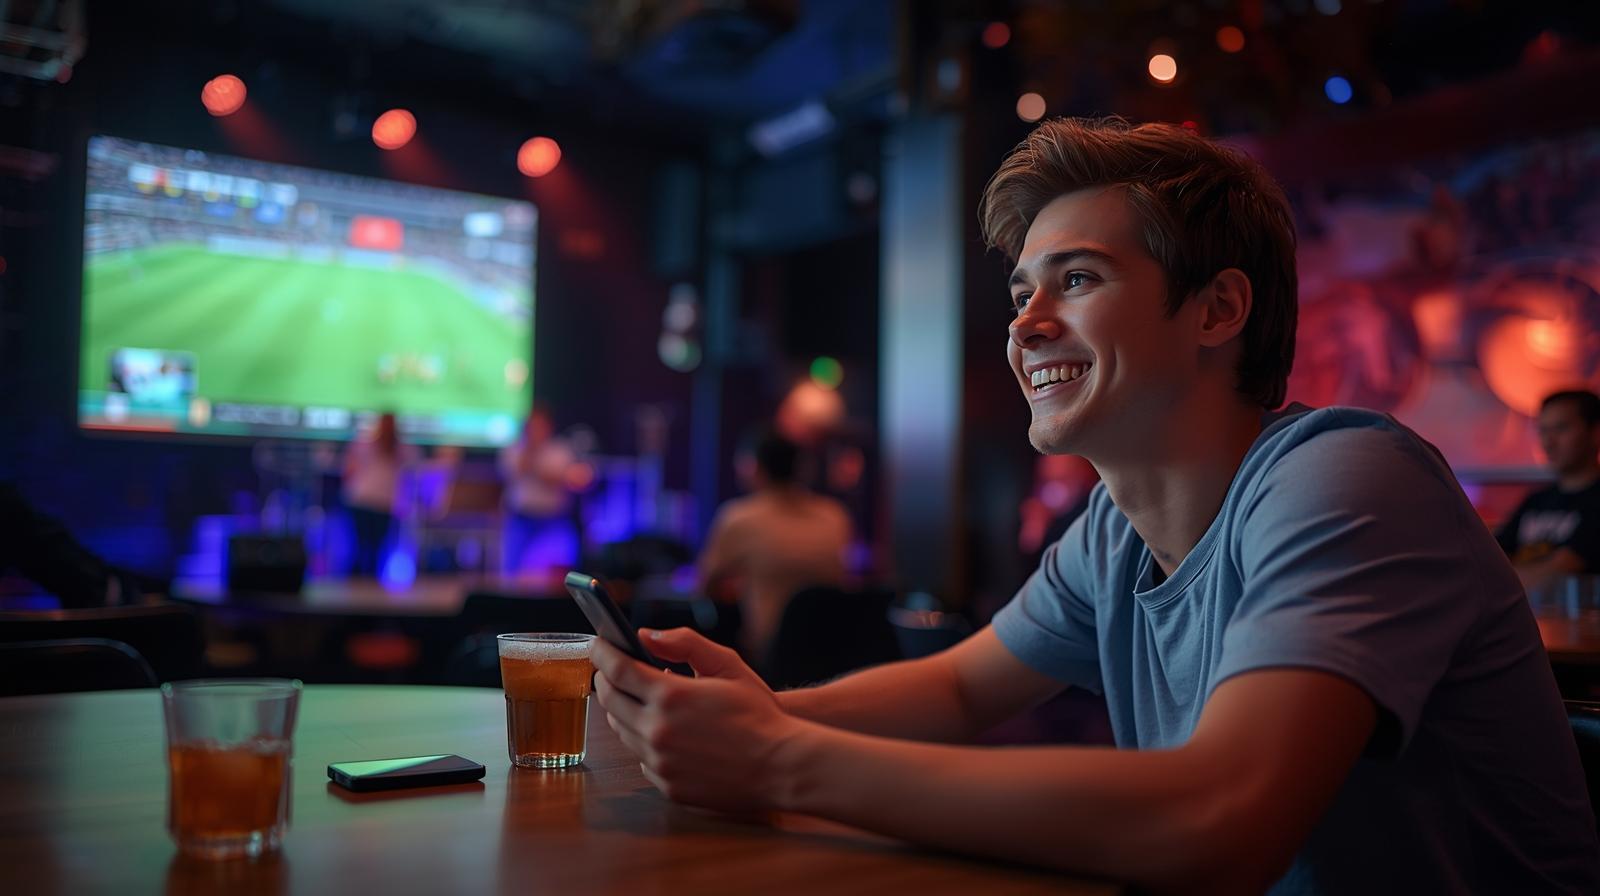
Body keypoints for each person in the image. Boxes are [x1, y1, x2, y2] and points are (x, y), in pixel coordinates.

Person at [589, 117, 1600, 894]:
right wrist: (730, 718)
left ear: (1217, 309)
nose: (1024, 322)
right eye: (1021, 289)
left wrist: (774, 758)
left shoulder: (1346, 477)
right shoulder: (1114, 531)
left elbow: (1219, 819)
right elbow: (953, 691)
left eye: (1075, 278)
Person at [697, 429, 853, 661]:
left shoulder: (739, 518)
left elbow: (705, 583)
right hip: (835, 651)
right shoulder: (835, 515)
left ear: (754, 467)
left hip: (769, 657)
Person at [1498, 389, 1600, 593]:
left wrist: (1499, 584)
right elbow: (1492, 557)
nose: (1548, 442)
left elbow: (1561, 569)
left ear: (1595, 433)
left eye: (1561, 429)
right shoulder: (1536, 500)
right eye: (1543, 431)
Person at [498, 405, 581, 577]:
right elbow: (515, 471)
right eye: (532, 425)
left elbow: (561, 480)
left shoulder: (560, 451)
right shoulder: (514, 449)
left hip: (552, 520)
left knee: (556, 573)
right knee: (512, 572)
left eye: (540, 425)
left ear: (549, 426)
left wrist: (539, 470)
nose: (536, 429)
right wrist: (533, 455)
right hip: (520, 519)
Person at [341, 411, 411, 577]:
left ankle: (361, 588)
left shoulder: (401, 450)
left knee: (367, 548)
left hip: (376, 502)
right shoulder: (366, 444)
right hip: (368, 502)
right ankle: (358, 587)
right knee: (368, 548)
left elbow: (348, 471)